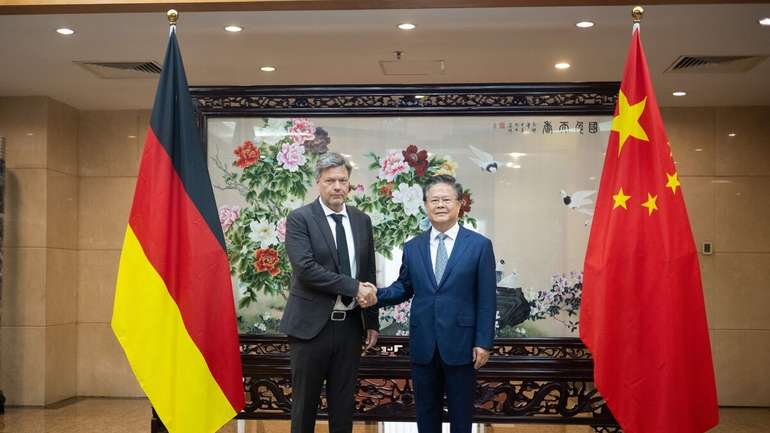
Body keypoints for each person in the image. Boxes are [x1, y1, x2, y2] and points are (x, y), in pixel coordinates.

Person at [362, 174, 496, 433]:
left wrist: (483, 342)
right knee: (425, 412)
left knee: (461, 414)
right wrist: (376, 295)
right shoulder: (413, 247)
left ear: (460, 204)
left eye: (447, 199)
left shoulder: (479, 246)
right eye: (434, 200)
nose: (440, 205)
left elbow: (487, 299)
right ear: (425, 205)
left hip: (463, 344)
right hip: (423, 343)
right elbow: (404, 287)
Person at [281, 152, 379, 433]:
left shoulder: (362, 220)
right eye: (330, 180)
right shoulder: (300, 218)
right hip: (309, 328)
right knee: (304, 408)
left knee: (343, 406)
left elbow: (368, 272)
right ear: (318, 183)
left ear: (349, 184)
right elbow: (306, 269)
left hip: (349, 327)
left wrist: (371, 320)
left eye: (343, 180)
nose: (337, 186)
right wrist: (354, 287)